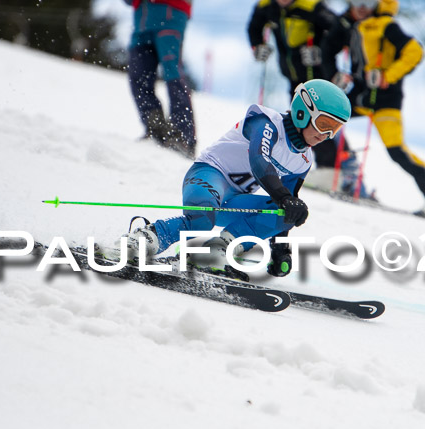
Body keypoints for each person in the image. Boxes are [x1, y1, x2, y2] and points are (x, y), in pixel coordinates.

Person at [99, 79, 352, 277]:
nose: (326, 134)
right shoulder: (266, 122)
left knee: (287, 213)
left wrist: (280, 249)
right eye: (323, 124)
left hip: (233, 200)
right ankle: (145, 238)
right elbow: (259, 160)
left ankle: (215, 251)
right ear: (302, 111)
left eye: (335, 129)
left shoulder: (303, 160)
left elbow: (287, 204)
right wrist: (285, 198)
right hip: (208, 176)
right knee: (201, 219)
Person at [321, 0, 425, 222]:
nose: (361, 6)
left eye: (368, 2)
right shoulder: (350, 24)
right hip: (360, 97)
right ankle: (332, 171)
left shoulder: (385, 25)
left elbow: (414, 51)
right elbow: (327, 49)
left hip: (385, 101)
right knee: (324, 115)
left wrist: (388, 75)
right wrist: (335, 74)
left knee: (396, 150)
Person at [247, 0, 346, 184]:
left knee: (317, 123)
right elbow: (255, 25)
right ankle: (335, 168)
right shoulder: (267, 6)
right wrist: (257, 45)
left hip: (316, 79)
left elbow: (339, 31)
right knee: (300, 123)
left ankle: (332, 169)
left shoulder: (310, 6)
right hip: (294, 76)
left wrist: (321, 51)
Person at [124, 0, 196, 157]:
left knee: (173, 74)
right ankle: (156, 130)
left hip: (171, 14)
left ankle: (183, 137)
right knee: (138, 75)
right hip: (142, 19)